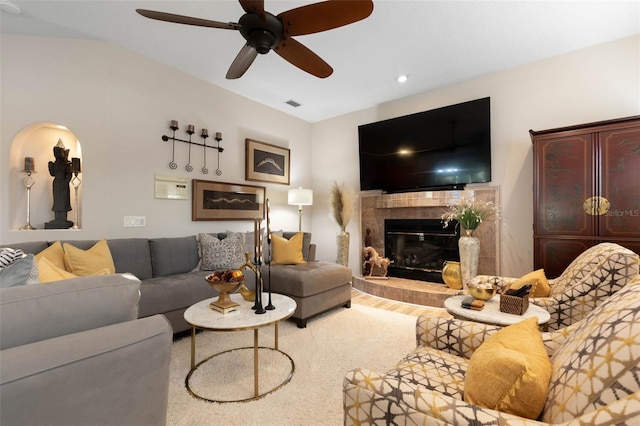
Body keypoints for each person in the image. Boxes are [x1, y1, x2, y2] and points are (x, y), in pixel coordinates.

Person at [45, 139, 74, 229]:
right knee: (57, 201)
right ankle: (57, 218)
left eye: (58, 152)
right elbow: (52, 173)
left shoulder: (66, 164)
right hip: (56, 183)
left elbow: (69, 174)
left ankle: (63, 219)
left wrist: (66, 182)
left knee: (63, 201)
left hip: (63, 183)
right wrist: (50, 166)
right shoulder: (55, 164)